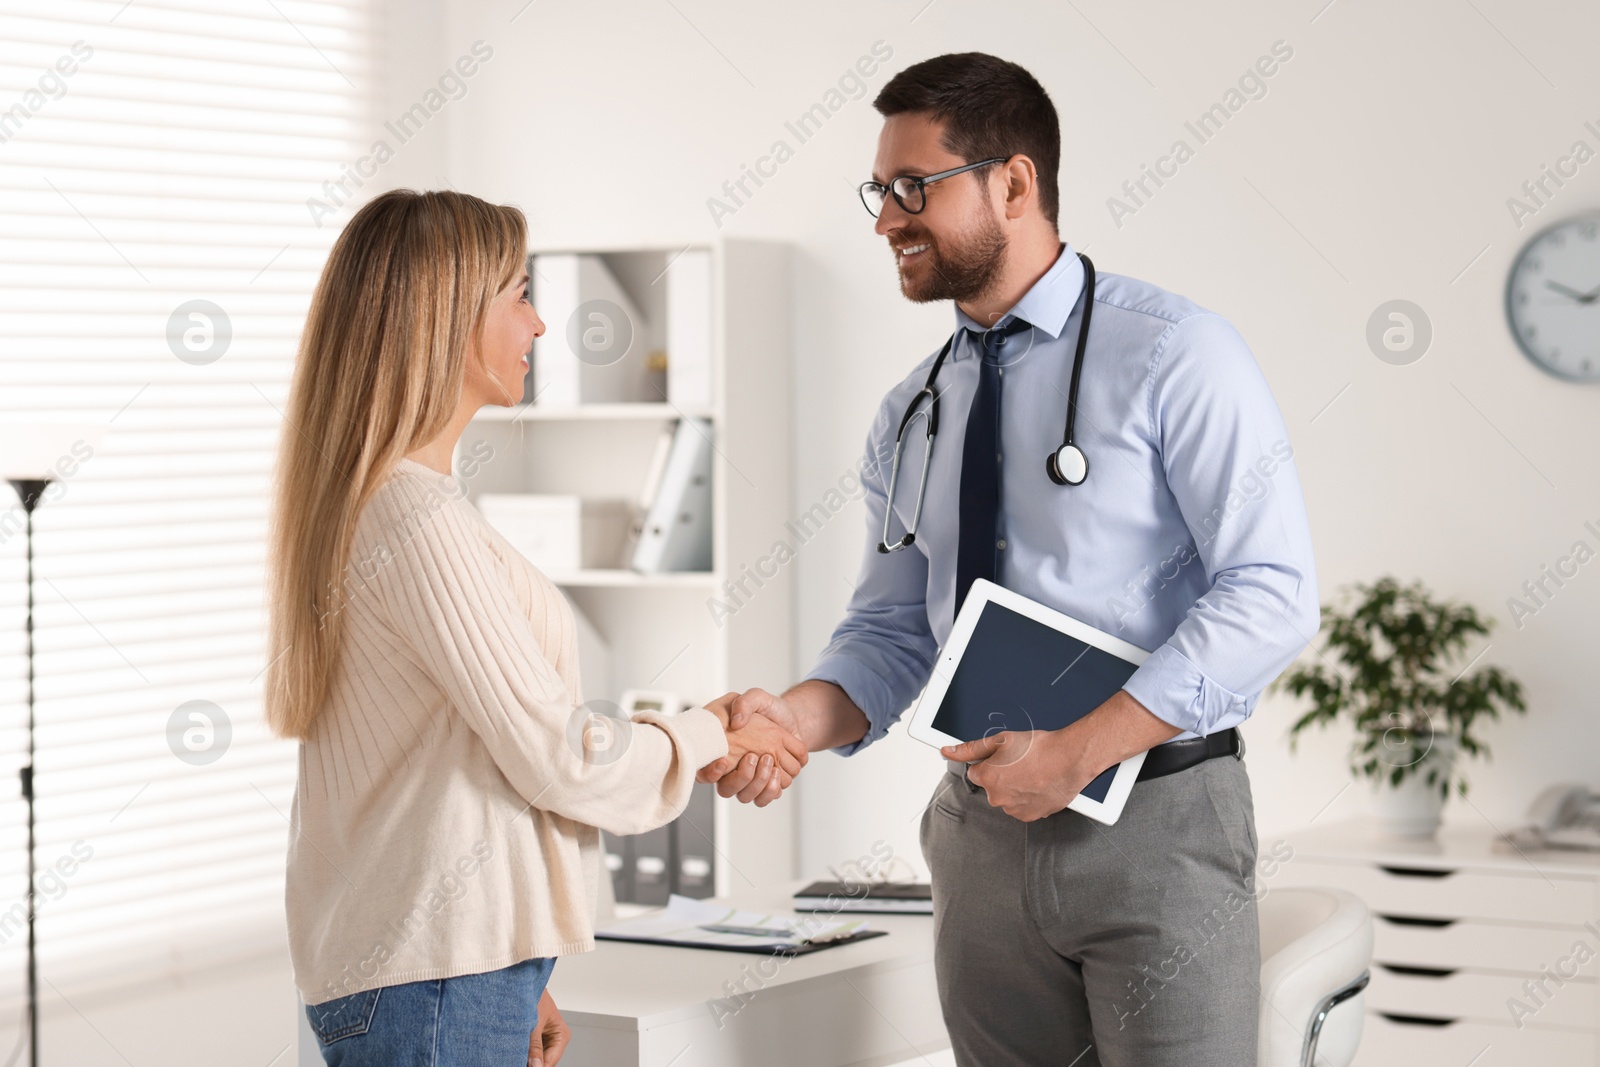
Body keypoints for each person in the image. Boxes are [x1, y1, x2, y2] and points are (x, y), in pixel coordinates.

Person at [700, 53, 1318, 1066]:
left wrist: (1077, 751)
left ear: (1014, 183)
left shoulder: (1177, 354)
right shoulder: (911, 409)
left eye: (914, 188)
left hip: (1158, 823)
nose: (886, 219)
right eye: (880, 191)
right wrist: (790, 721)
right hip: (980, 836)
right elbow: (892, 631)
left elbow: (1272, 593)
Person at [265, 189, 808, 1067]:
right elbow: (556, 753)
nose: (542, 325)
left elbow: (450, 765)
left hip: (450, 976)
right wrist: (713, 731)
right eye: (519, 295)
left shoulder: (396, 505)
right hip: (434, 985)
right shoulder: (414, 519)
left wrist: (517, 963)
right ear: (444, 319)